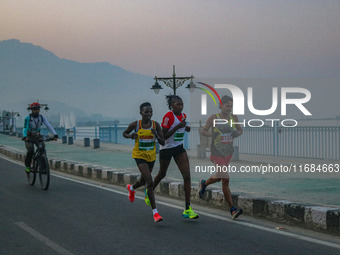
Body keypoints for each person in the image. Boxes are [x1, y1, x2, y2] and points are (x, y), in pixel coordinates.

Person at [152, 95, 199, 219]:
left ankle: (187, 209)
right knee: (162, 174)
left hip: (179, 148)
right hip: (166, 149)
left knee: (187, 176)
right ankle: (149, 190)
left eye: (182, 103)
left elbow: (181, 129)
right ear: (171, 106)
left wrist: (185, 128)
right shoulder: (168, 117)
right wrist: (178, 127)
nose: (181, 106)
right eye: (177, 104)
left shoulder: (183, 116)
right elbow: (164, 136)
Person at [199, 95, 243, 219]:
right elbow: (203, 131)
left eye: (231, 106)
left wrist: (237, 133)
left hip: (228, 152)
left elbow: (240, 130)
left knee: (219, 177)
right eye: (227, 106)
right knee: (225, 178)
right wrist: (212, 134)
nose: (229, 108)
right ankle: (232, 209)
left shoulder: (234, 118)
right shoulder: (214, 118)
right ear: (220, 105)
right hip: (216, 151)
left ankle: (204, 184)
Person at [123, 102, 165, 223]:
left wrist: (156, 135)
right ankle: (155, 213)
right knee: (150, 182)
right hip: (139, 155)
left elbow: (162, 142)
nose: (149, 114)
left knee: (142, 181)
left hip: (151, 157)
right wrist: (131, 136)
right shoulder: (136, 124)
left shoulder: (155, 125)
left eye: (151, 112)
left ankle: (131, 188)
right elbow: (124, 133)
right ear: (141, 112)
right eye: (146, 112)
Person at [23, 102, 58, 173]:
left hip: (37, 135)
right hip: (29, 136)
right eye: (35, 109)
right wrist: (25, 136)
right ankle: (27, 166)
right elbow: (25, 128)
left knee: (42, 149)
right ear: (32, 110)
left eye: (38, 109)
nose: (36, 111)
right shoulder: (28, 118)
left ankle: (43, 167)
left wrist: (55, 134)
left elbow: (48, 125)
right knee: (30, 151)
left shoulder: (41, 117)